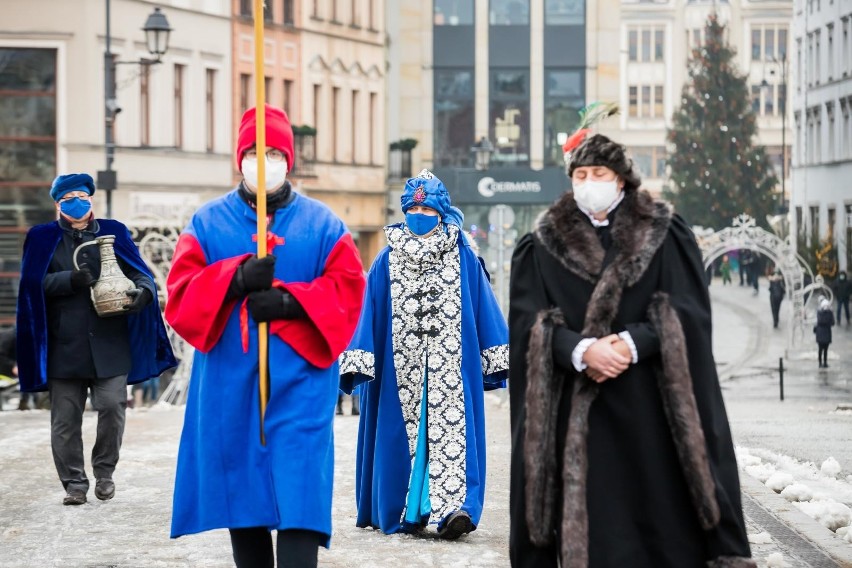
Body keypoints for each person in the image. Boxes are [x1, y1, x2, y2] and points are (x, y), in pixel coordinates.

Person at [508, 130, 753, 567]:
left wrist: (631, 343)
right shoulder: (542, 243)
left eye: (598, 172)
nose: (589, 182)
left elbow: (688, 309)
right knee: (594, 530)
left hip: (650, 412)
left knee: (662, 527)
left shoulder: (664, 232)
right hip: (577, 419)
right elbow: (528, 324)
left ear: (621, 179)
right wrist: (581, 351)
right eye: (580, 174)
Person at [166, 104, 365, 568]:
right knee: (245, 498)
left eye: (274, 151)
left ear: (288, 158)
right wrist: (233, 279)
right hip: (231, 386)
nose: (264, 159)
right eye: (254, 150)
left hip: (301, 385)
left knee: (300, 497)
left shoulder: (324, 225)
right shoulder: (207, 223)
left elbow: (349, 289)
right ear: (239, 157)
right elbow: (179, 296)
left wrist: (291, 302)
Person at [339, 169, 509, 539]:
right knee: (404, 438)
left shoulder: (462, 255)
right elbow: (370, 311)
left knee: (451, 434)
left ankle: (455, 509)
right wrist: (360, 358)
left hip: (449, 368)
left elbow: (482, 306)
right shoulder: (385, 260)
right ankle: (410, 509)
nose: (420, 217)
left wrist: (495, 355)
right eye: (413, 210)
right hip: (399, 370)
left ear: (441, 212)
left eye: (428, 211)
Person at [16, 173, 176, 505]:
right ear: (58, 203)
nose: (77, 201)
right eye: (68, 196)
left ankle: (104, 472)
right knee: (65, 419)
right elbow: (32, 287)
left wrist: (145, 291)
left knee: (114, 407)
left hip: (109, 341)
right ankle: (75, 482)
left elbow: (138, 271)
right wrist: (69, 280)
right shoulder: (41, 236)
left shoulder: (113, 231)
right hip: (64, 346)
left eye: (82, 195)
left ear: (91, 198)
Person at [814, 297, 835, 368]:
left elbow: (817, 322)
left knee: (820, 349)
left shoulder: (819, 313)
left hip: (819, 333)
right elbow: (833, 323)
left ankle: (820, 363)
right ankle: (825, 363)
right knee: (826, 350)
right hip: (827, 333)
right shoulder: (830, 313)